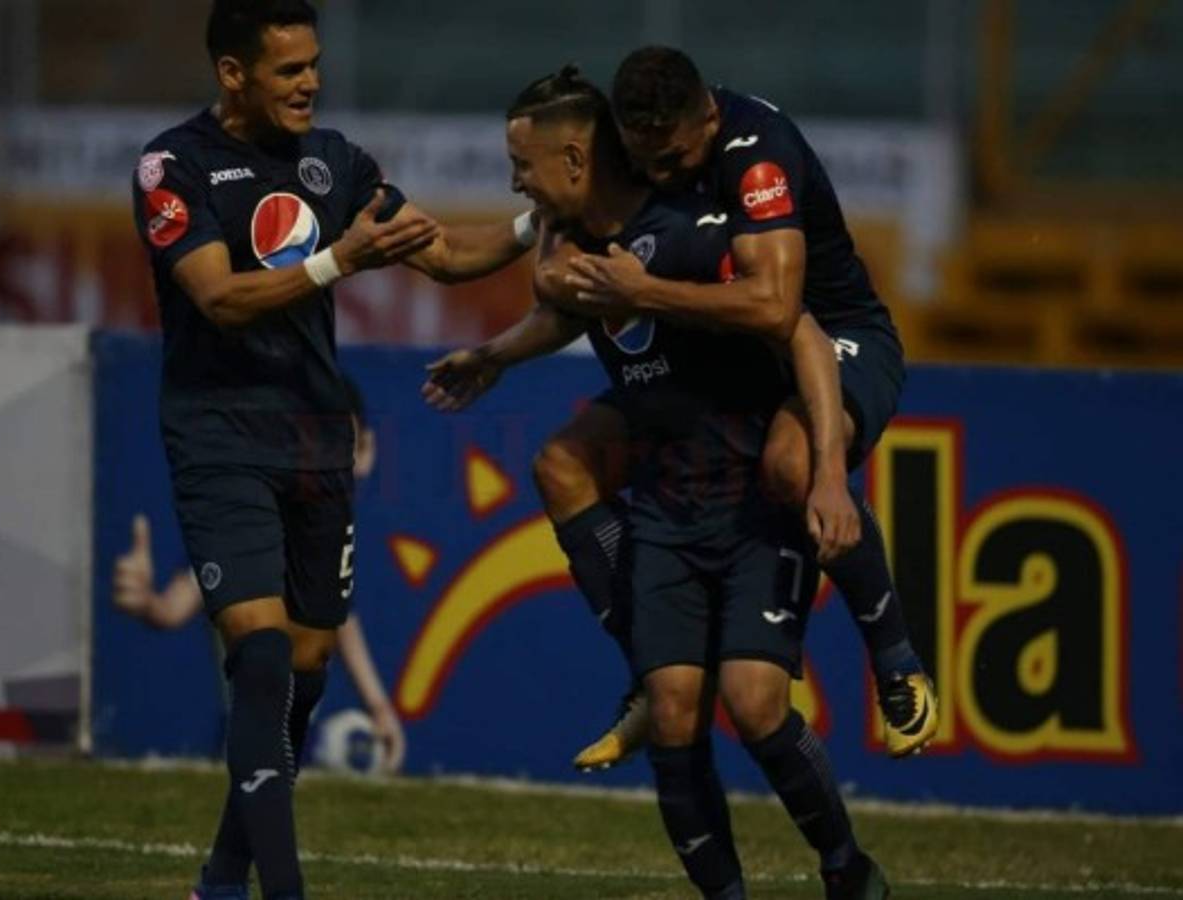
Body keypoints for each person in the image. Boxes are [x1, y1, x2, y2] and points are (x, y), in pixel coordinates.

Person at [425, 67, 888, 900]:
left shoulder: (692, 233)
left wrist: (823, 474)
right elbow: (517, 279)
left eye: (521, 165)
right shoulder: (568, 254)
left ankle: (848, 870)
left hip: (748, 500)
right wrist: (493, 354)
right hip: (668, 508)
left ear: (575, 159)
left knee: (751, 706)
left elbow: (802, 333)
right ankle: (650, 680)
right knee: (675, 708)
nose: (514, 181)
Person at [131, 3, 537, 898]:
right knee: (263, 655)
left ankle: (222, 874)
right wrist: (337, 264)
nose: (310, 81)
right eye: (287, 70)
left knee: (305, 669)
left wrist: (534, 224)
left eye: (312, 64)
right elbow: (219, 299)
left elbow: (447, 253)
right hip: (218, 429)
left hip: (314, 432)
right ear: (233, 73)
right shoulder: (173, 166)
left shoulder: (336, 162)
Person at [536, 46, 936, 768]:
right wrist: (491, 352)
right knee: (563, 464)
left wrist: (641, 292)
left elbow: (776, 306)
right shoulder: (644, 152)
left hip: (835, 339)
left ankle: (897, 657)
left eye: (676, 159)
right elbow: (551, 243)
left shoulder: (756, 156)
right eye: (646, 161)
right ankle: (647, 665)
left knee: (791, 461)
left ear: (709, 119)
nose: (663, 176)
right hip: (723, 365)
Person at [112, 381, 406, 772]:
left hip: (296, 753)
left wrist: (379, 708)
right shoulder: (248, 532)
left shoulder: (329, 540)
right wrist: (147, 601)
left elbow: (341, 619)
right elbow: (173, 608)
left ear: (366, 451)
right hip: (242, 753)